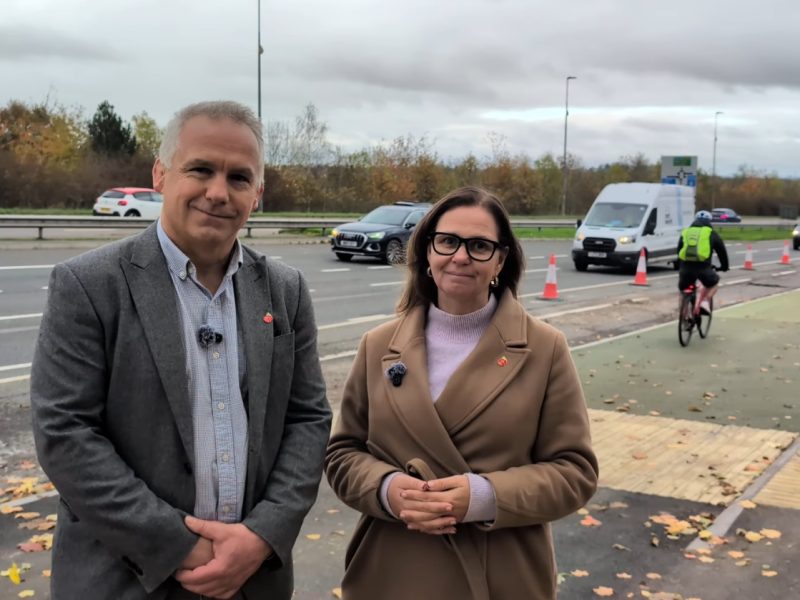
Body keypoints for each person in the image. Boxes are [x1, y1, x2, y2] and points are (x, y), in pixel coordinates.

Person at [30, 100, 331, 600]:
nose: (218, 192)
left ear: (257, 194)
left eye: (239, 178)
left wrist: (261, 536)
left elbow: (308, 419)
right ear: (161, 174)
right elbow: (65, 432)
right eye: (201, 170)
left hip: (252, 578)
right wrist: (178, 545)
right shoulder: (89, 285)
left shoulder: (285, 290)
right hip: (125, 577)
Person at [325, 186, 599, 600]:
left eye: (480, 246)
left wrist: (485, 496)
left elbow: (575, 472)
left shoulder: (544, 349)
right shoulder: (378, 345)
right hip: (391, 569)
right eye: (448, 241)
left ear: (501, 261)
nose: (460, 256)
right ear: (428, 253)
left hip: (499, 576)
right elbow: (342, 454)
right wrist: (387, 490)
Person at [677, 209, 729, 314]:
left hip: (685, 268)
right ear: (709, 221)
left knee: (683, 291)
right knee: (714, 284)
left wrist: (680, 266)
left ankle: (684, 317)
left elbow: (679, 250)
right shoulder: (711, 233)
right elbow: (721, 251)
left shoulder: (686, 232)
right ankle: (705, 302)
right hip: (703, 268)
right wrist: (724, 266)